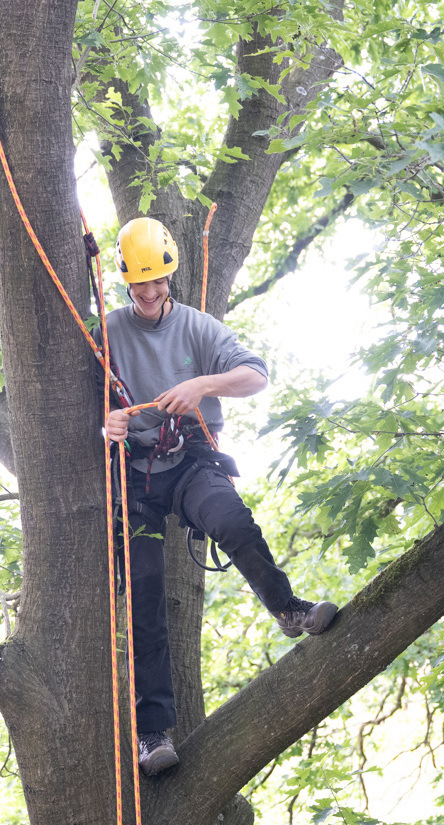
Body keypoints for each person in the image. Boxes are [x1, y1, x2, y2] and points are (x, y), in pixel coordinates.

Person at [103, 216, 338, 777]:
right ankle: (153, 733)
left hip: (189, 460)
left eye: (157, 281)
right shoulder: (107, 331)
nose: (150, 292)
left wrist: (201, 385)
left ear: (170, 276)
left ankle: (287, 608)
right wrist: (106, 423)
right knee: (144, 598)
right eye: (139, 284)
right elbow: (84, 398)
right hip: (133, 476)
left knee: (232, 522)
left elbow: (255, 374)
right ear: (125, 281)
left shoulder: (198, 328)